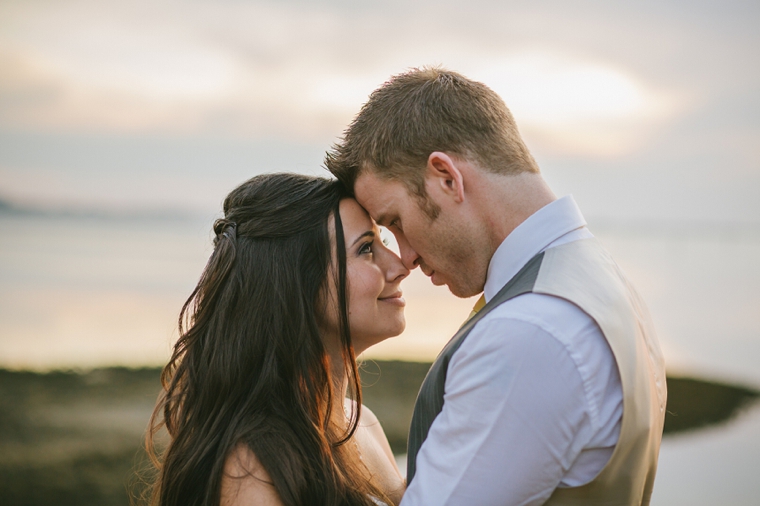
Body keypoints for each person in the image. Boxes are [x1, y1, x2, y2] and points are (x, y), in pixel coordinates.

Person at [326, 67, 667, 505]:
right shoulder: (597, 280)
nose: (405, 255)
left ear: (447, 177)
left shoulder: (529, 332)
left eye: (396, 222)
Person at [146, 173, 408, 506]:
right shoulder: (250, 467)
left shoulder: (363, 423)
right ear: (299, 283)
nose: (400, 265)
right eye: (367, 248)